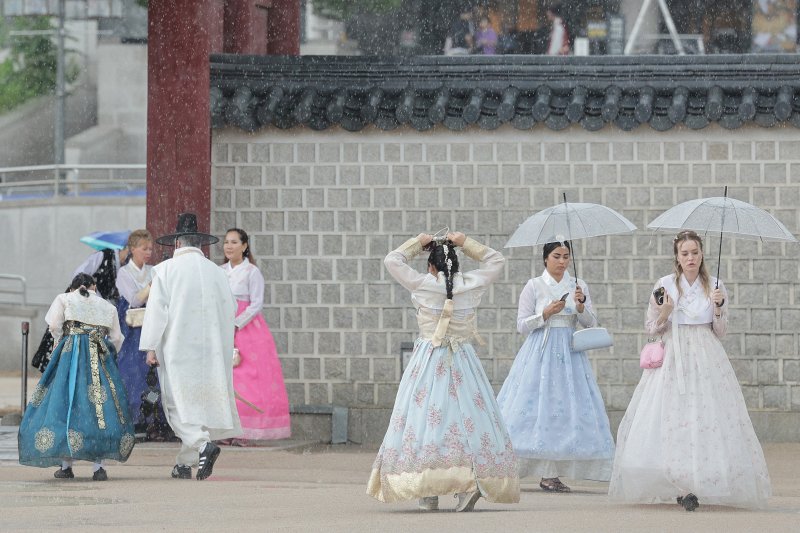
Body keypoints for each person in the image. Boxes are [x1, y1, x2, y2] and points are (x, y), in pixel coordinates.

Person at [609, 230, 771, 510]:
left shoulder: (715, 286)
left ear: (702, 254)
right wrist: (665, 312)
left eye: (695, 252)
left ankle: (698, 479)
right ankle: (680, 484)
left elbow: (720, 331)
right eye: (684, 253)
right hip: (674, 354)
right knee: (672, 414)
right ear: (677, 257)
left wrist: (718, 307)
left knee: (705, 415)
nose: (690, 258)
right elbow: (651, 328)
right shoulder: (664, 285)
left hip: (706, 355)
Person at [367, 230, 519, 512]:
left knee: (426, 419)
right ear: (457, 265)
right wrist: (465, 242)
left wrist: (418, 243)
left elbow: (392, 260)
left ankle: (428, 489)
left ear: (431, 266)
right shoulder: (470, 284)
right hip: (462, 358)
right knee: (467, 419)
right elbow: (496, 260)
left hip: (429, 360)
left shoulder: (424, 284)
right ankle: (468, 484)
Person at [497, 238, 614, 493]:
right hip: (540, 350)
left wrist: (581, 306)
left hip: (570, 352)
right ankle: (513, 467)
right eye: (557, 256)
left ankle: (552, 472)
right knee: (537, 404)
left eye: (566, 256)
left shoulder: (578, 285)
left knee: (566, 405)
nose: (562, 261)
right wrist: (546, 313)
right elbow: (521, 325)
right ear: (545, 259)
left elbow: (591, 322)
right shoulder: (534, 286)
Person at [139, 213, 241, 480]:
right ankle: (184, 463)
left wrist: (150, 346)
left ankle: (202, 445)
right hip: (210, 350)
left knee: (177, 404)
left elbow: (156, 311)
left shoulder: (165, 270)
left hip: (178, 346)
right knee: (198, 404)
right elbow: (231, 309)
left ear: (177, 243)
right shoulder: (217, 273)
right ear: (199, 242)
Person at [18, 273, 134, 481]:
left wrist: (61, 342)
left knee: (65, 405)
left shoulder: (64, 299)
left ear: (73, 288)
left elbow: (54, 326)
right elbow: (117, 338)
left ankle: (66, 466)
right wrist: (106, 353)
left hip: (70, 358)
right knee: (100, 408)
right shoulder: (108, 306)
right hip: (98, 359)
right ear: (94, 287)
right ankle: (99, 467)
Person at [221, 228, 290, 443]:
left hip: (247, 330)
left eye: (234, 242)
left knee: (248, 379)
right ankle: (224, 430)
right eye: (226, 242)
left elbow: (256, 303)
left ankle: (247, 430)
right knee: (223, 379)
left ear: (244, 246)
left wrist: (236, 323)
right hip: (222, 326)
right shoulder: (219, 271)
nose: (229, 246)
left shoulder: (252, 272)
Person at [115, 229, 171, 441]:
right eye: (143, 248)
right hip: (132, 330)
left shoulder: (153, 270)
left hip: (152, 323)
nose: (148, 252)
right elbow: (134, 300)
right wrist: (150, 286)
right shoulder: (124, 273)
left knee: (153, 374)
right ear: (132, 249)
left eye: (150, 249)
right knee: (133, 372)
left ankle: (155, 419)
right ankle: (135, 418)